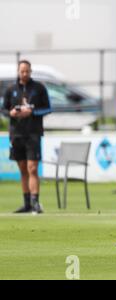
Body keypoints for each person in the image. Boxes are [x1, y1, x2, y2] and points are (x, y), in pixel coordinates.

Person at [1, 60, 52, 214]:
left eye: (27, 71)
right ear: (18, 71)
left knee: (32, 168)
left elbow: (48, 108)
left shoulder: (39, 88)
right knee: (23, 168)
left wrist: (33, 112)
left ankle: (35, 202)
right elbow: (4, 109)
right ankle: (27, 203)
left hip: (33, 133)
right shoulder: (11, 89)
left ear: (31, 71)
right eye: (22, 71)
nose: (24, 74)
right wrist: (11, 113)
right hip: (16, 134)